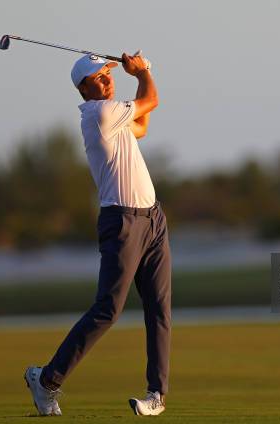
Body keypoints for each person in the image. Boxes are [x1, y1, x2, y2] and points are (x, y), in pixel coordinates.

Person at [23, 51, 171, 417]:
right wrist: (144, 72)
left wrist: (138, 78)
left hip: (152, 219)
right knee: (108, 309)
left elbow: (143, 124)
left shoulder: (116, 114)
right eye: (98, 79)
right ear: (84, 89)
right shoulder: (100, 114)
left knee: (159, 309)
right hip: (122, 221)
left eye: (108, 74)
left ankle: (157, 395)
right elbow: (151, 99)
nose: (106, 81)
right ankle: (46, 382)